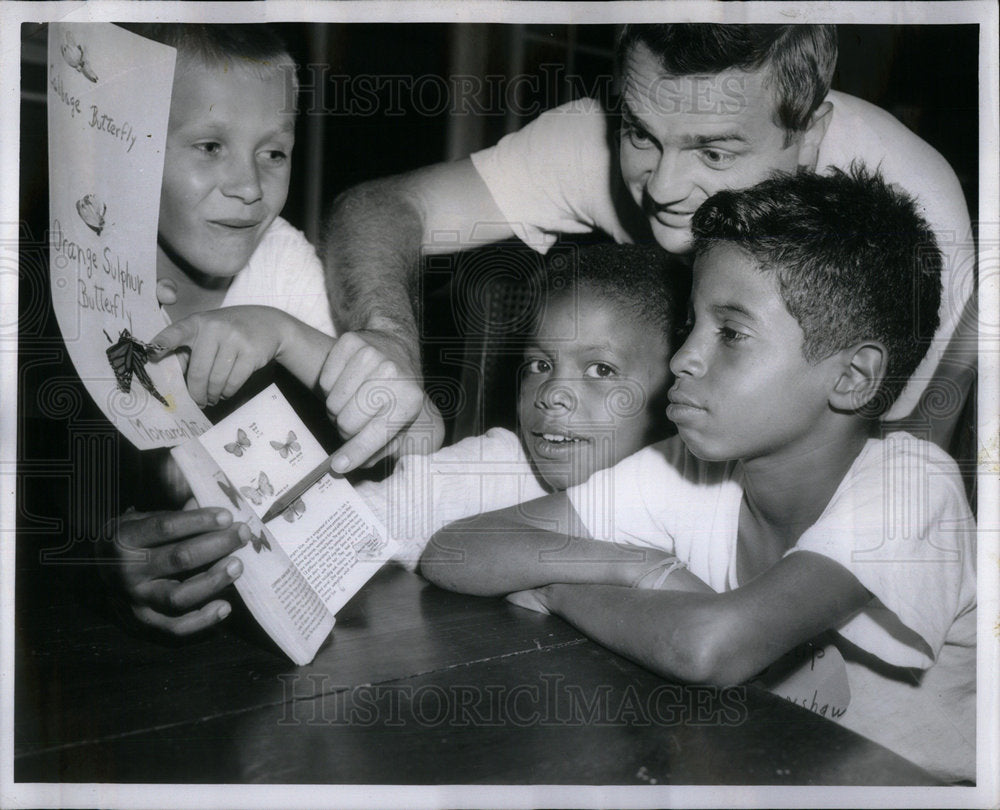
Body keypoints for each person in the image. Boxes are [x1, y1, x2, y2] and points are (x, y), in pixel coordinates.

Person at [419, 167, 977, 784]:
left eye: (730, 333)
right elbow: (455, 549)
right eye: (692, 325)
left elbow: (711, 647)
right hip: (758, 771)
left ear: (851, 378)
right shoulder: (687, 468)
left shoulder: (910, 487)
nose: (683, 357)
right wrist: (633, 568)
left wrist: (556, 588)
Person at [323, 24, 973, 455]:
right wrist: (386, 335)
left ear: (807, 136)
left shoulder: (908, 211)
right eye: (641, 135)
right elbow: (381, 208)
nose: (662, 187)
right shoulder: (608, 133)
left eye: (714, 154)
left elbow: (901, 478)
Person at [104, 24, 432, 635]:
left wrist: (282, 332)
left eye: (273, 152)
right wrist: (99, 566)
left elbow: (423, 434)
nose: (250, 187)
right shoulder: (66, 275)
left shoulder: (278, 262)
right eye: (209, 146)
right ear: (126, 145)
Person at [155, 243, 688, 570]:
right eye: (539, 364)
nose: (552, 393)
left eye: (601, 370)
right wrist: (221, 539)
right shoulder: (499, 467)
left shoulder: (706, 498)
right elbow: (360, 524)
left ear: (674, 394)